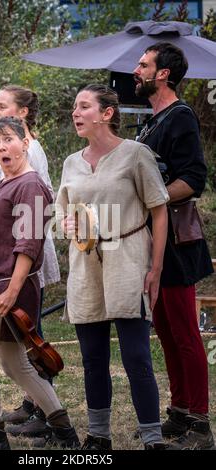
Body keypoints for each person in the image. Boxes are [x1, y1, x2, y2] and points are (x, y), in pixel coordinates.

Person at [55, 84, 170, 450]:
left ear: (106, 114)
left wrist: (155, 268)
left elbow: (159, 209)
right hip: (85, 265)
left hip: (129, 259)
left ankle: (153, 438)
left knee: (136, 356)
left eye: (84, 106)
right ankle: (98, 436)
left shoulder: (136, 155)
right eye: (74, 106)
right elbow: (61, 215)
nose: (76, 112)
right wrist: (68, 225)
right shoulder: (71, 163)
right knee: (92, 359)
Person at [0, 117, 79, 450]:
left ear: (26, 143)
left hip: (9, 286)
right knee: (17, 365)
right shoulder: (6, 182)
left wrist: (12, 291)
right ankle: (64, 431)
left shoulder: (31, 184)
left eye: (8, 140)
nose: (1, 147)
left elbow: (29, 242)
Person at [133, 42, 215, 450]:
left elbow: (194, 179)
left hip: (178, 244)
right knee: (164, 330)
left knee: (184, 333)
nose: (137, 70)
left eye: (144, 64)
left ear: (163, 73)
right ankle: (180, 412)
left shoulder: (180, 117)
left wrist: (155, 201)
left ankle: (200, 424)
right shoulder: (148, 124)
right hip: (151, 241)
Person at [0, 85, 60, 438]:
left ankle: (14, 427)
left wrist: (15, 283)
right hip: (0, 275)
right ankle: (53, 419)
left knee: (20, 346)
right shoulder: (8, 157)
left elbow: (29, 227)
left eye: (2, 106)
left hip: (15, 273)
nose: (2, 146)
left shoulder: (30, 161)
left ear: (22, 121)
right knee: (16, 359)